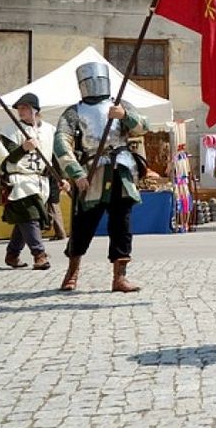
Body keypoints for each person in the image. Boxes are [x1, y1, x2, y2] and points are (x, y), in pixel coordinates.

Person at [54, 62, 148, 292]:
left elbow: (144, 126)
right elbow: (61, 142)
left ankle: (120, 277)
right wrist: (75, 173)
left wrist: (125, 116)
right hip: (91, 172)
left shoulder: (120, 105)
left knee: (121, 224)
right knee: (83, 224)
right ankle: (72, 272)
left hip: (122, 171)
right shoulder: (73, 112)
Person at [0, 93, 55, 271]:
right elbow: (6, 160)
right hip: (19, 181)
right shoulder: (9, 131)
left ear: (35, 110)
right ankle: (39, 255)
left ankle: (12, 255)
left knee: (24, 219)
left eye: (24, 108)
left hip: (40, 180)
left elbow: (54, 157)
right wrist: (23, 148)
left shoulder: (49, 130)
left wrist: (63, 179)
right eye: (19, 108)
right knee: (31, 216)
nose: (20, 111)